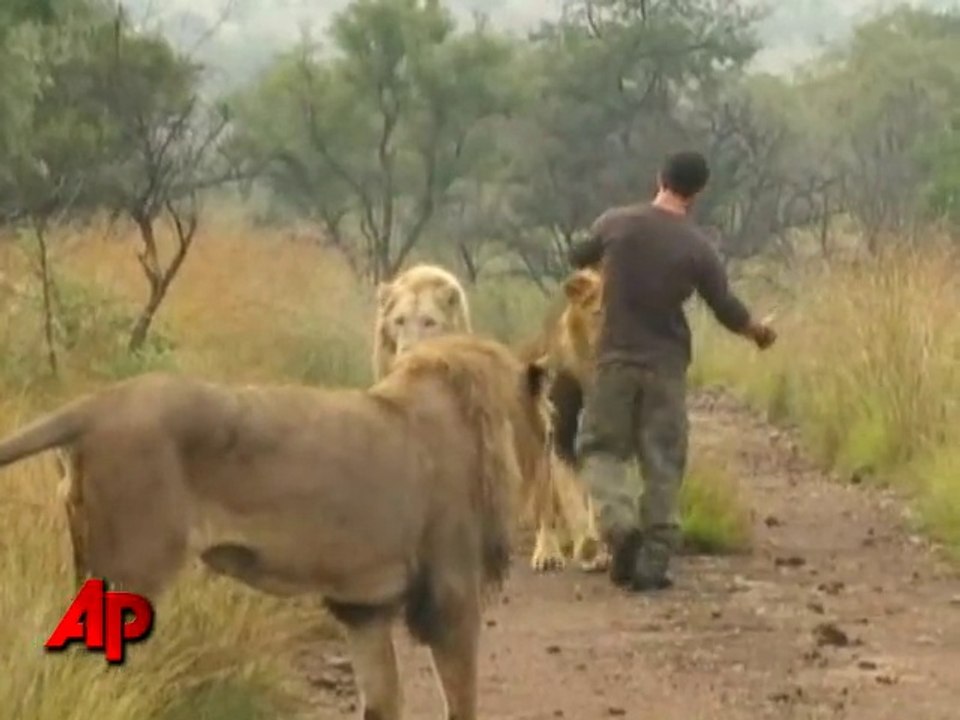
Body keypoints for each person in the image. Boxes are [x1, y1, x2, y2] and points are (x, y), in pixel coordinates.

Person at [568, 150, 777, 592]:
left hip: (615, 358)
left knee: (601, 449)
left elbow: (577, 256)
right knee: (662, 461)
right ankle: (655, 559)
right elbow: (726, 308)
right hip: (666, 365)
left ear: (658, 177)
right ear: (698, 193)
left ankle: (619, 526)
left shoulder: (616, 222)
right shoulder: (697, 247)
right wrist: (758, 332)